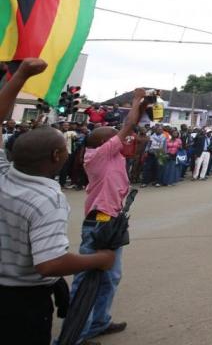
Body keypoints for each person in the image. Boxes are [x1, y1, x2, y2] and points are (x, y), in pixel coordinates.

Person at [0, 58, 115, 345]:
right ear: (55, 157)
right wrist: (99, 260)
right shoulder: (46, 199)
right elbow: (50, 264)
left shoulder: (4, 172)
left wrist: (21, 75)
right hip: (22, 299)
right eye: (64, 149)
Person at [69, 88, 145, 342]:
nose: (121, 139)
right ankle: (76, 334)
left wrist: (144, 105)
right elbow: (129, 125)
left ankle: (99, 322)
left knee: (111, 276)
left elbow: (133, 128)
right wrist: (136, 99)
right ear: (104, 144)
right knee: (87, 278)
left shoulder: (113, 155)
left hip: (112, 221)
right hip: (99, 222)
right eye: (115, 137)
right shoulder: (98, 157)